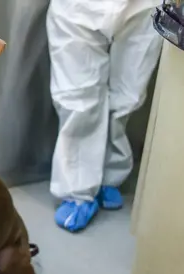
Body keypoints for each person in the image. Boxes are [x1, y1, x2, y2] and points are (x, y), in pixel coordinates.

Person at [46, 0, 163, 232]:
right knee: (77, 98)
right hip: (78, 7)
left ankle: (110, 173)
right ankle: (77, 191)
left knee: (129, 95)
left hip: (145, 6)